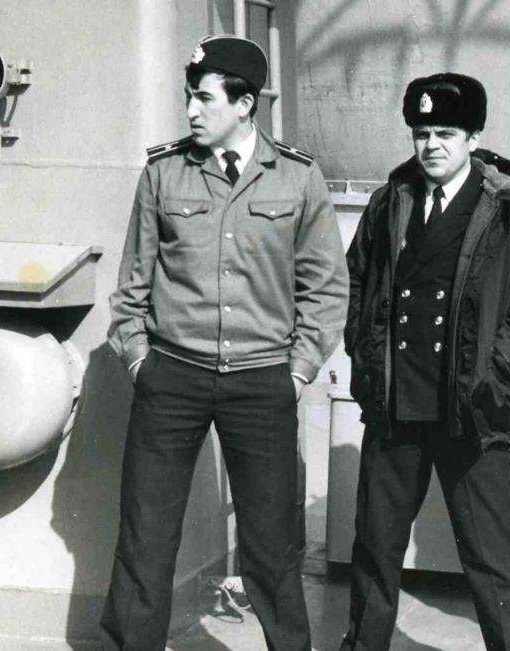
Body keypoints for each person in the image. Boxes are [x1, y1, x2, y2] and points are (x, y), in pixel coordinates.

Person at [102, 34, 348, 651]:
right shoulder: (163, 172)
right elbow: (132, 285)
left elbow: (325, 289)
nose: (190, 110)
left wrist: (298, 371)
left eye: (204, 98)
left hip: (262, 380)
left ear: (244, 105)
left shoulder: (298, 177)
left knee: (272, 545)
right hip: (171, 377)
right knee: (146, 535)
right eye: (188, 96)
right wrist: (140, 362)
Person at [340, 72, 510, 651]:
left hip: (472, 408)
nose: (432, 145)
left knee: (493, 556)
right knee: (375, 547)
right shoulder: (389, 203)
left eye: (446, 132)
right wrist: (366, 357)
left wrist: (498, 364)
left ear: (473, 137)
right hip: (396, 406)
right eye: (422, 133)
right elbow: (355, 282)